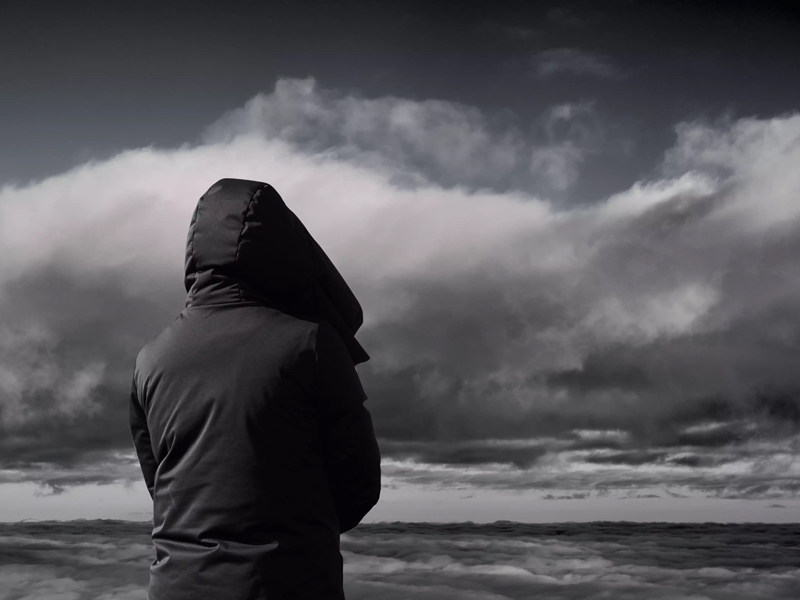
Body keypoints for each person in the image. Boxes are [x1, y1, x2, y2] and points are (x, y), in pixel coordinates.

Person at [128, 178, 381, 600]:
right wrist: (295, 530)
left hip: (176, 586)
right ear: (285, 247)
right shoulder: (312, 342)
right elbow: (360, 485)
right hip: (287, 585)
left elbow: (160, 484)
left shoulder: (150, 358)